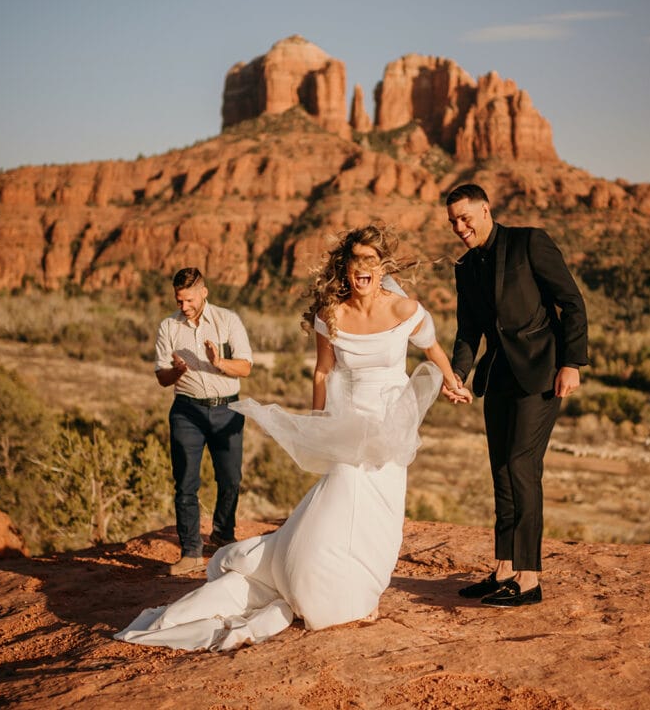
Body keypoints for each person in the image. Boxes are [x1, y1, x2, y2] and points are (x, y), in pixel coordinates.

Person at [116, 225, 470, 650]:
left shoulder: (406, 309)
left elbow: (432, 350)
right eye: (356, 261)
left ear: (382, 267)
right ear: (346, 267)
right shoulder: (331, 315)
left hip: (391, 426)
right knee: (340, 497)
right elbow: (322, 370)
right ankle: (323, 588)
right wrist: (320, 420)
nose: (364, 269)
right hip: (348, 424)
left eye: (372, 261)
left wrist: (453, 383)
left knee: (384, 512)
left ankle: (366, 589)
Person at [442, 183, 588, 607]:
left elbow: (571, 302)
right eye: (453, 221)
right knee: (502, 471)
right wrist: (458, 373)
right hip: (499, 375)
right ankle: (504, 569)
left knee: (523, 466)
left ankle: (530, 579)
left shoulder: (529, 242)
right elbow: (468, 329)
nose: (460, 227)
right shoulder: (465, 266)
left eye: (465, 217)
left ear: (486, 210)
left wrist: (571, 362)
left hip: (543, 370)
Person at [154, 267, 253, 576]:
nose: (184, 307)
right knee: (185, 483)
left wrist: (219, 363)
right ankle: (191, 552)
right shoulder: (168, 326)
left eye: (189, 300)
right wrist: (177, 372)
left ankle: (223, 536)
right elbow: (161, 376)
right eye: (179, 301)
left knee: (230, 479)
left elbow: (246, 367)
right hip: (187, 411)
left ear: (204, 293)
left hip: (227, 410)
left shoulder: (228, 321)